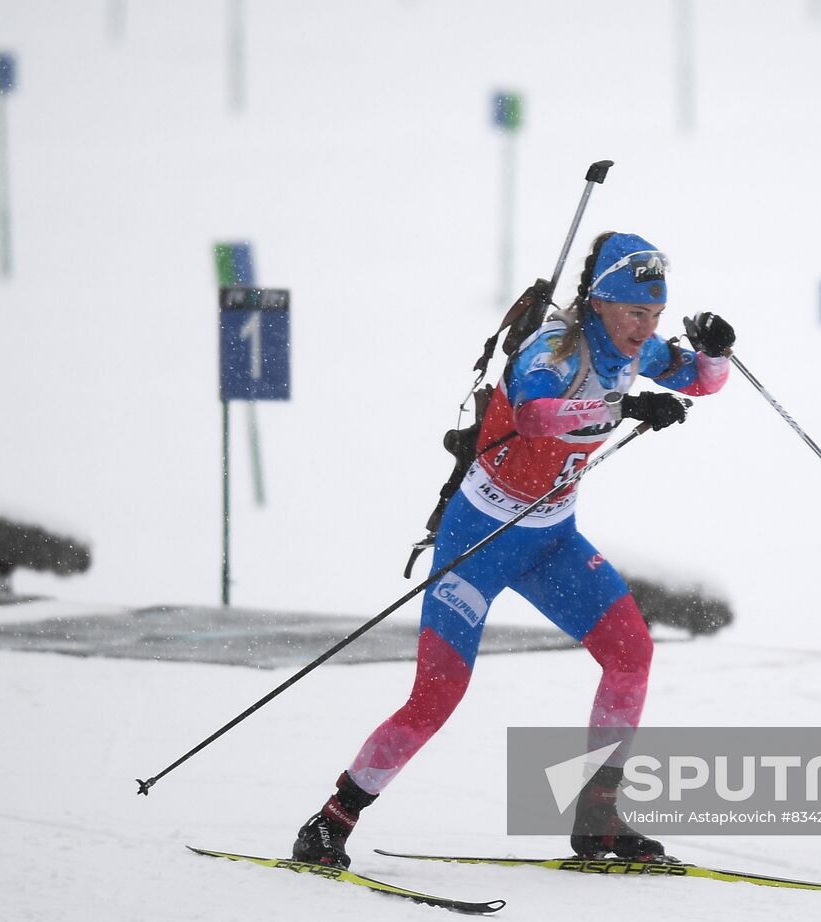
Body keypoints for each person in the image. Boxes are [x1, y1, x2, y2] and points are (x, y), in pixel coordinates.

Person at [292, 231, 737, 867]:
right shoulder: (555, 345)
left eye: (656, 316)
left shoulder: (637, 348)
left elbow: (705, 382)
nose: (646, 328)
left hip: (551, 539)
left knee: (631, 654)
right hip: (479, 543)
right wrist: (620, 403)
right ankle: (332, 820)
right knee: (437, 697)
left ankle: (598, 817)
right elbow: (533, 414)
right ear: (601, 303)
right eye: (636, 313)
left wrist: (716, 354)